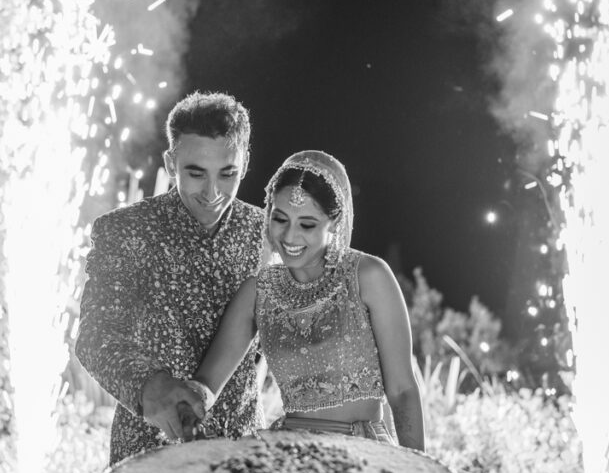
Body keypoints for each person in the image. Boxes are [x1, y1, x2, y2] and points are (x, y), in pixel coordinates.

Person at [157, 150, 425, 450]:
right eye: (280, 219)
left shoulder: (368, 277)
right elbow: (207, 384)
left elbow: (402, 390)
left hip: (362, 454)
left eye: (307, 224)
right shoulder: (258, 292)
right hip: (290, 457)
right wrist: (183, 400)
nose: (290, 236)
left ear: (333, 221)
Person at [75, 91, 267, 464]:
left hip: (241, 454)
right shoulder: (124, 230)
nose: (212, 193)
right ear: (171, 161)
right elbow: (95, 336)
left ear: (245, 164)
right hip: (147, 453)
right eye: (196, 173)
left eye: (227, 174)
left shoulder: (268, 234)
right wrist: (149, 385)